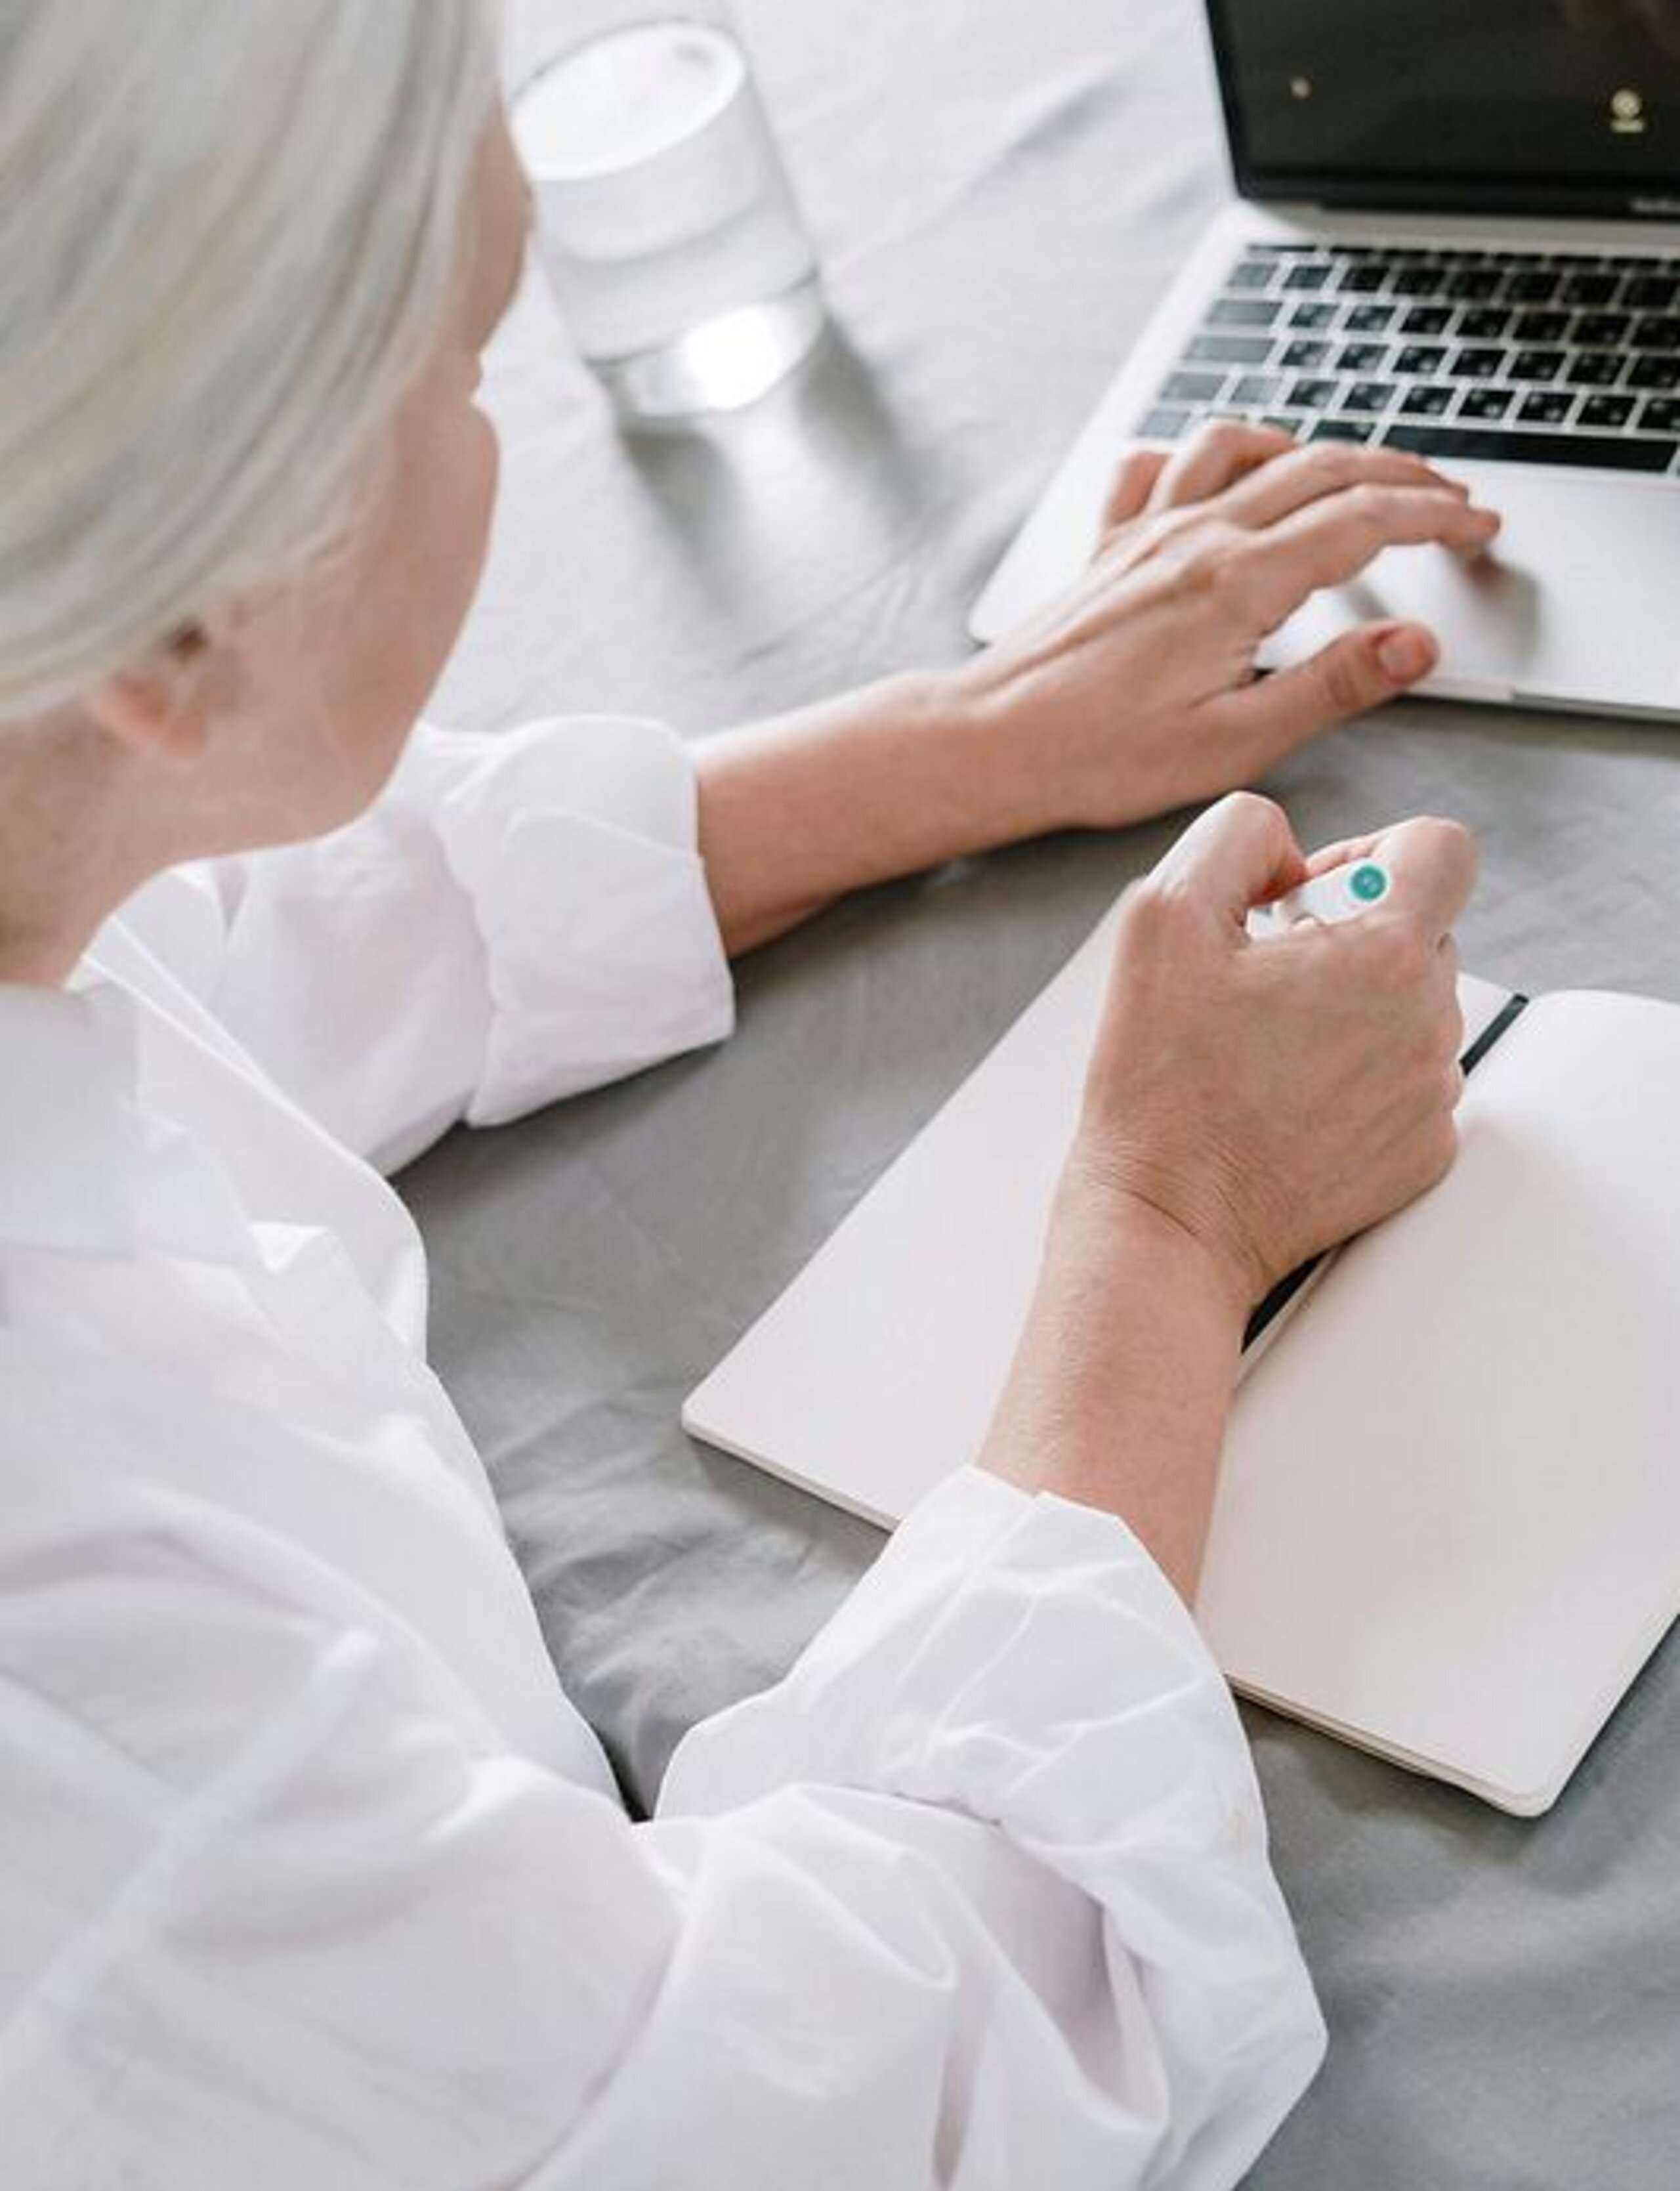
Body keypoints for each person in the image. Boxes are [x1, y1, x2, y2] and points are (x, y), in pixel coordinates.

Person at [0, 6, 1489, 2186]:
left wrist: (973, 737)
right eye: (466, 369)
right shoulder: (91, 1661)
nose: (487, 429)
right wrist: (1172, 1219)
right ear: (167, 618)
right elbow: (831, 2105)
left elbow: (192, 904)